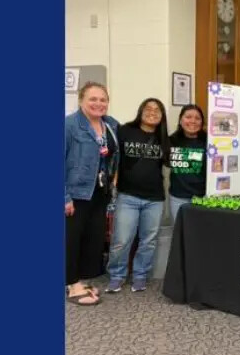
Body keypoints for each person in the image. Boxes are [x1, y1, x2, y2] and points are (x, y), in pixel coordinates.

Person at [105, 98, 170, 293]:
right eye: (148, 108)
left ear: (162, 116)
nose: (152, 112)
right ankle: (117, 275)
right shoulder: (124, 131)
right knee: (121, 239)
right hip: (128, 196)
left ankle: (140, 275)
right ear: (140, 111)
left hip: (155, 198)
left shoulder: (164, 138)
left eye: (157, 110)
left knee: (148, 240)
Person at [65, 81, 120, 306]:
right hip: (76, 193)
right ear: (81, 101)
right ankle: (72, 285)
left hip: (99, 192)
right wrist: (64, 197)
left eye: (103, 99)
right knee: (71, 240)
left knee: (91, 239)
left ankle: (81, 280)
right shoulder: (69, 125)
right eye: (93, 99)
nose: (99, 103)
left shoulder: (110, 125)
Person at [167, 104, 207, 225]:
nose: (193, 121)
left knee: (199, 234)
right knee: (180, 234)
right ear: (180, 120)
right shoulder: (170, 141)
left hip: (202, 197)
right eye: (188, 117)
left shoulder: (209, 142)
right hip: (178, 197)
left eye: (197, 118)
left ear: (202, 122)